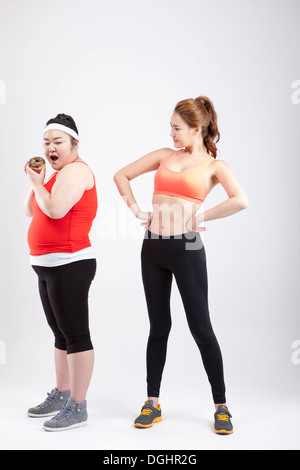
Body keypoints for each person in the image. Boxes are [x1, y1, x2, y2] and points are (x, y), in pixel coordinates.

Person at [113, 96, 248, 435]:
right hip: (153, 248)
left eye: (177, 128)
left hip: (187, 249)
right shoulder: (164, 155)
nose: (171, 133)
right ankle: (152, 402)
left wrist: (201, 216)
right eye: (170, 127)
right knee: (158, 327)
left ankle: (222, 407)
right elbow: (121, 175)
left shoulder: (215, 166)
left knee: (201, 329)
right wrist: (135, 209)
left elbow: (240, 200)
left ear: (196, 129)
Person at [24, 114, 98, 432]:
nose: (51, 147)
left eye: (58, 142)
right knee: (60, 335)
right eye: (46, 142)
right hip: (48, 265)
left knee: (76, 335)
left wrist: (39, 185)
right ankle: (62, 393)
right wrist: (37, 181)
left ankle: (78, 405)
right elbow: (32, 209)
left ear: (74, 144)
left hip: (70, 264)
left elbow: (55, 210)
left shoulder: (76, 171)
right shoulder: (56, 176)